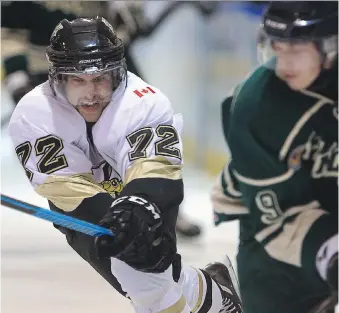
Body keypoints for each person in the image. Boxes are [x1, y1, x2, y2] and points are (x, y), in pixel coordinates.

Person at [8, 16, 242, 313]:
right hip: (83, 201)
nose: (91, 93)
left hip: (143, 191)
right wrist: (115, 224)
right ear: (58, 77)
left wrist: (137, 209)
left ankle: (210, 293)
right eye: (78, 80)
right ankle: (215, 290)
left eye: (100, 78)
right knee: (144, 272)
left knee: (145, 281)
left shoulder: (143, 102)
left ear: (117, 73)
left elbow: (155, 172)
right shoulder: (34, 114)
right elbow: (70, 190)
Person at [1, 0, 203, 237]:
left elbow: (124, 14)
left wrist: (128, 11)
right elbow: (9, 30)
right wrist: (16, 75)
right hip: (55, 70)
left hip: (106, 62)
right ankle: (92, 210)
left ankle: (162, 207)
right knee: (63, 145)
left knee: (141, 128)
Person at [211, 2, 338, 313]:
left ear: (331, 45)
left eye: (295, 50)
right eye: (277, 49)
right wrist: (332, 254)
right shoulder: (256, 106)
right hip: (273, 229)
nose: (283, 64)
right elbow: (277, 217)